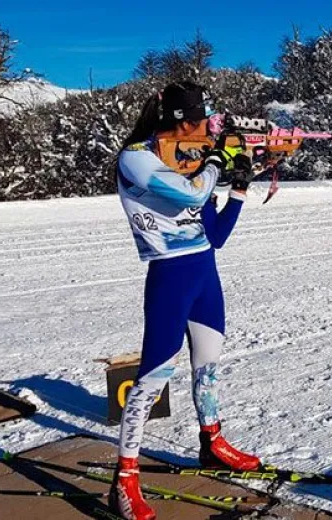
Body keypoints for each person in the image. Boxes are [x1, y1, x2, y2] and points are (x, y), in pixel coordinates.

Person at [110, 81, 261, 520]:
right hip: (170, 276)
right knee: (152, 378)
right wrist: (215, 159)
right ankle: (125, 479)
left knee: (208, 368)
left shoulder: (189, 160)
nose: (201, 131)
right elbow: (192, 193)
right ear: (181, 121)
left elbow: (216, 236)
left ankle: (212, 443)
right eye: (198, 122)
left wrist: (238, 188)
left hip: (203, 272)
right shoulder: (136, 158)